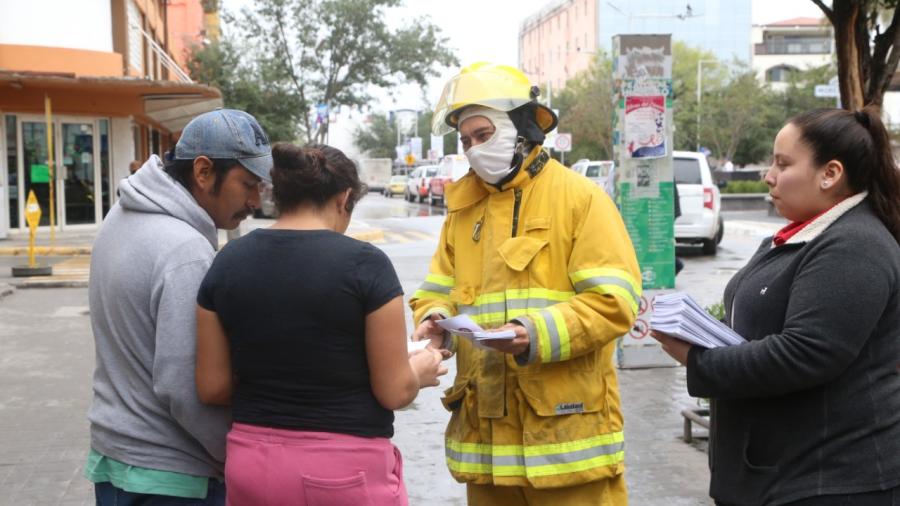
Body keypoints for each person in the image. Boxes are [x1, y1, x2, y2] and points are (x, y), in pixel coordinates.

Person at [410, 62, 642, 505]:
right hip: (487, 443)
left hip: (565, 444)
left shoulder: (580, 198)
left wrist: (532, 333)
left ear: (522, 130)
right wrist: (433, 317)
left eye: (483, 134)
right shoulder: (464, 211)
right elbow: (436, 286)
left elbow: (615, 302)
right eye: (466, 140)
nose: (474, 150)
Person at [653, 106, 900, 506]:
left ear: (830, 174)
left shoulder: (855, 245)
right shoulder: (799, 235)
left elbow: (806, 353)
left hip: (830, 481)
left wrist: (698, 361)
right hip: (778, 474)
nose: (768, 175)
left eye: (783, 164)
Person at [194, 142, 448, 505]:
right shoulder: (365, 265)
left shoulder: (227, 261)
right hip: (342, 470)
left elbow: (212, 386)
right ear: (344, 198)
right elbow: (393, 391)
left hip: (251, 464)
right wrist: (419, 370)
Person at [85, 109, 272, 505]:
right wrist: (236, 458)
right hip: (172, 478)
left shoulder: (118, 219)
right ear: (203, 172)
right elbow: (185, 386)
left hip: (115, 461)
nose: (255, 200)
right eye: (248, 184)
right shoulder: (185, 252)